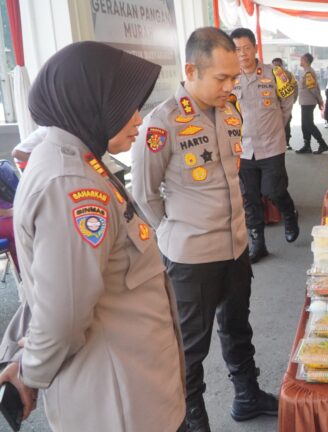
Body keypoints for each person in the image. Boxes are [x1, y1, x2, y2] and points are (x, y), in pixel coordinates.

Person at [0, 41, 185, 431]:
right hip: (120, 405)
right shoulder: (71, 186)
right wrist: (29, 374)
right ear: (87, 102)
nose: (138, 120)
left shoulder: (82, 160)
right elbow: (63, 315)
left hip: (136, 383)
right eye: (124, 107)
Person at [131, 27, 278, 432]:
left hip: (235, 248)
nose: (231, 85)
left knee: (237, 327)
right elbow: (143, 195)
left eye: (234, 77)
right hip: (192, 258)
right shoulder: (161, 124)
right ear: (191, 70)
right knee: (190, 348)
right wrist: (177, 233)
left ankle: (246, 395)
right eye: (222, 78)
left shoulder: (231, 110)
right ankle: (192, 419)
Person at [230, 28, 300, 264]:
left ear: (255, 48)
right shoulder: (229, 78)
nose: (242, 54)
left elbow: (288, 102)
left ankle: (289, 214)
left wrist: (279, 125)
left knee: (273, 191)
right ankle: (257, 244)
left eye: (246, 48)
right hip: (243, 148)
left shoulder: (274, 74)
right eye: (237, 49)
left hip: (271, 145)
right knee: (249, 198)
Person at [296, 52, 328, 154]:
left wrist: (320, 101)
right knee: (304, 125)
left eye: (301, 59)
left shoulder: (308, 72)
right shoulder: (307, 71)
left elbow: (313, 89)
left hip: (308, 102)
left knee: (308, 124)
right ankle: (307, 145)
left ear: (305, 60)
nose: (300, 61)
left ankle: (322, 144)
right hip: (305, 102)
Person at [272, 57, 296, 150]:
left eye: (278, 65)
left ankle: (287, 142)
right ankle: (277, 143)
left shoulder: (288, 74)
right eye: (274, 65)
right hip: (274, 105)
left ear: (281, 65)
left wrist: (293, 100)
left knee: (287, 122)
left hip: (285, 104)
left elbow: (294, 86)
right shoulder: (270, 75)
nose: (276, 67)